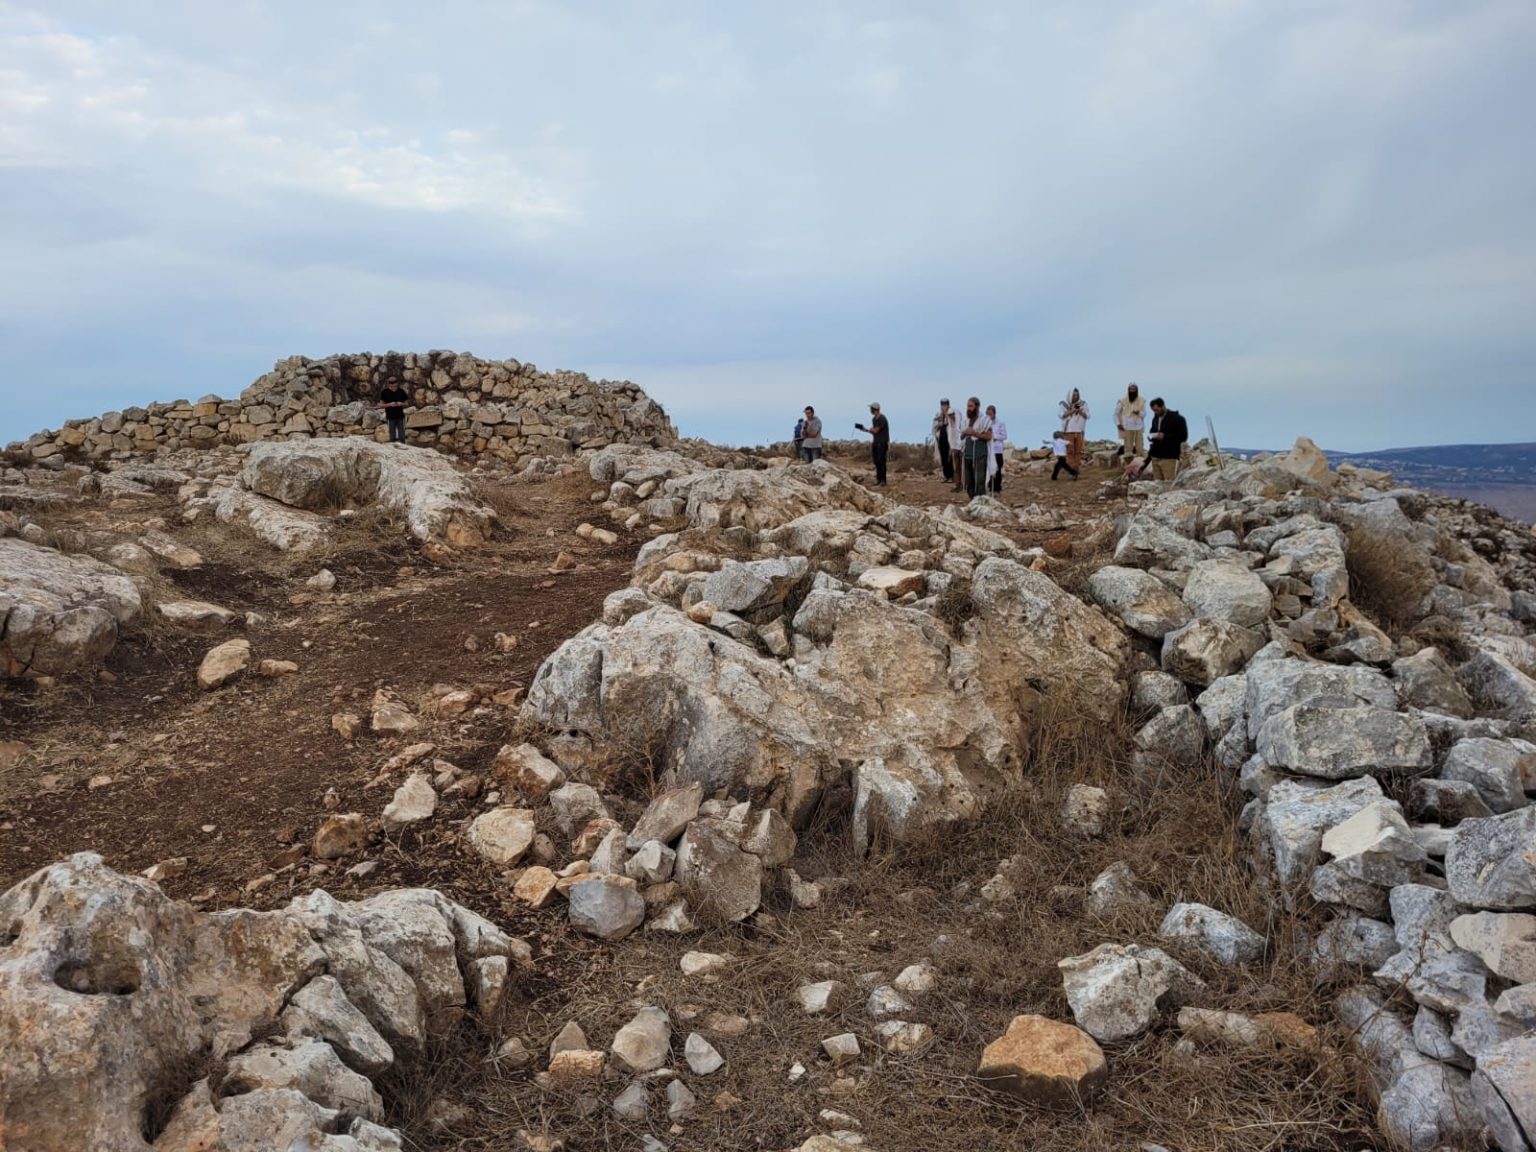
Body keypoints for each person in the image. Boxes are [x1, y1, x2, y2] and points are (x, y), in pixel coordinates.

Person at [1139, 397, 1188, 482]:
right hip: (1155, 457)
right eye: (1153, 410)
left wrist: (1165, 437)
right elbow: (1153, 432)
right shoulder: (1155, 419)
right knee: (1156, 484)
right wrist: (1151, 437)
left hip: (1169, 457)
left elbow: (1183, 437)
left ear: (1163, 406)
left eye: (1157, 410)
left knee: (1169, 483)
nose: (1155, 412)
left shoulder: (1177, 419)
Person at [960, 397, 993, 498]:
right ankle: (972, 502)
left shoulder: (984, 420)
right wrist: (965, 433)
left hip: (980, 454)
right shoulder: (966, 421)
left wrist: (974, 433)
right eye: (968, 406)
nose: (969, 408)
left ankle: (980, 503)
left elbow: (989, 436)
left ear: (977, 407)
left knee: (979, 482)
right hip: (968, 454)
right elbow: (961, 436)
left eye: (971, 406)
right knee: (969, 482)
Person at [854, 402, 890, 486]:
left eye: (871, 408)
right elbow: (874, 432)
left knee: (881, 461)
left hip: (882, 442)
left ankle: (883, 481)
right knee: (876, 461)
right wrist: (865, 429)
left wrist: (869, 429)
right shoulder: (874, 419)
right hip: (876, 442)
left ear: (875, 409)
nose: (870, 410)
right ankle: (879, 479)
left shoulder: (882, 418)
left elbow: (876, 430)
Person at [1058, 388, 1089, 472]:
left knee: (1078, 450)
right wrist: (1072, 411)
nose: (1075, 397)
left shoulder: (1083, 404)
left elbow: (1088, 416)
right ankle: (1071, 467)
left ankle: (1076, 467)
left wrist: (1080, 412)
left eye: (1077, 395)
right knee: (1070, 450)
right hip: (1068, 431)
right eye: (1074, 395)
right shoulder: (1064, 404)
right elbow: (1061, 415)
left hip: (1079, 431)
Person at [931, 399, 960, 485]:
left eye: (945, 405)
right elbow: (934, 425)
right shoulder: (938, 414)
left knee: (949, 456)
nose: (943, 407)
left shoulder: (951, 413)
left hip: (950, 437)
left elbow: (955, 423)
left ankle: (952, 476)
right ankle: (946, 475)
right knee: (943, 456)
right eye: (942, 405)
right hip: (942, 436)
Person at [1114, 383, 1145, 458]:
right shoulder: (1122, 401)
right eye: (1130, 389)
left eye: (1134, 389)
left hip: (1138, 426)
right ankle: (1128, 465)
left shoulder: (1141, 400)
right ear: (1128, 390)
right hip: (1127, 426)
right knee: (1128, 448)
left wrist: (1138, 412)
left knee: (1139, 446)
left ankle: (1139, 464)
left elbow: (1144, 414)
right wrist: (1118, 424)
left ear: (1136, 390)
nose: (1132, 391)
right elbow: (1116, 413)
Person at [378, 377, 410, 444]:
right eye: (392, 386)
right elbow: (380, 405)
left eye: (395, 386)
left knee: (402, 435)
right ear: (389, 385)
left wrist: (401, 403)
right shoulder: (384, 392)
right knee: (392, 436)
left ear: (397, 384)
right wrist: (389, 404)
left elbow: (407, 404)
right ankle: (393, 450)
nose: (393, 387)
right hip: (390, 417)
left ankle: (403, 449)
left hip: (400, 417)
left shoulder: (401, 391)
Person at [986, 404, 1007, 494]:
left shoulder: (1000, 423)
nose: (989, 416)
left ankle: (997, 488)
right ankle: (990, 486)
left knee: (998, 468)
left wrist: (995, 437)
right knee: (990, 468)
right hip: (989, 449)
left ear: (994, 413)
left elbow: (1005, 436)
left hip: (997, 449)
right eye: (988, 414)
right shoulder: (986, 423)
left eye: (991, 414)